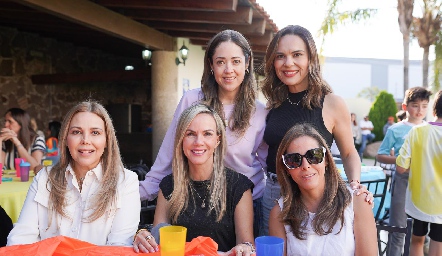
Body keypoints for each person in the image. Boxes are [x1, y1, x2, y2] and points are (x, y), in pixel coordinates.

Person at [140, 29, 268, 236]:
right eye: (220, 62)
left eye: (236, 61)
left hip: (246, 205)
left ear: (247, 63)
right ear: (211, 65)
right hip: (194, 204)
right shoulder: (192, 101)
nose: (229, 70)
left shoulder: (260, 112)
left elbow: (270, 165)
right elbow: (167, 156)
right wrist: (134, 194)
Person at [261, 25, 370, 236]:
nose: (288, 63)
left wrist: (355, 187)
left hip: (314, 196)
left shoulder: (332, 103)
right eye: (280, 56)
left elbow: (348, 153)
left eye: (297, 55)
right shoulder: (272, 104)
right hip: (273, 193)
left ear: (311, 59)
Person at [7, 100, 140, 246]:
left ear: (107, 140)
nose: (85, 140)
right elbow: (21, 238)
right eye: (76, 132)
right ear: (65, 138)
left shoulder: (126, 182)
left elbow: (120, 247)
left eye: (95, 132)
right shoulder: (45, 178)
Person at [133, 104, 255, 255]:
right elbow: (158, 243)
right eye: (190, 134)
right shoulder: (168, 186)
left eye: (207, 134)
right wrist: (143, 235)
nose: (198, 141)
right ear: (181, 139)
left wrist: (246, 247)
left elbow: (246, 244)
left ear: (218, 140)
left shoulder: (239, 186)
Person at [268, 123, 377, 255]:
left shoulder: (357, 202)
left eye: (314, 155)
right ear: (286, 168)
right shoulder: (279, 214)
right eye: (294, 160)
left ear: (326, 160)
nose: (305, 165)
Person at [376, 86, 432, 256]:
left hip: (425, 183)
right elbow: (381, 155)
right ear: (405, 107)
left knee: (422, 230)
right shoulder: (395, 129)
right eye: (415, 105)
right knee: (398, 227)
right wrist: (403, 160)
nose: (420, 110)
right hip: (402, 180)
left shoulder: (431, 129)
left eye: (424, 105)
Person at [396, 90, 442, 256]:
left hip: (418, 200)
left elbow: (401, 168)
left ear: (434, 108)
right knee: (438, 243)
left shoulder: (416, 131)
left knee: (417, 241)